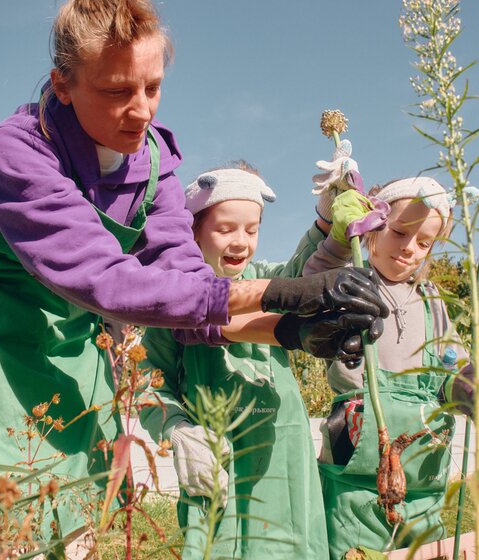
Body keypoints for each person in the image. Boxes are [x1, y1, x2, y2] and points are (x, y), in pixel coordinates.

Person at [0, 0, 387, 542]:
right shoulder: (18, 151)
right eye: (116, 91)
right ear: (63, 84)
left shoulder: (155, 166)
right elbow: (109, 281)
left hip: (67, 338)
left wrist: (291, 330)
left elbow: (190, 299)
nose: (142, 110)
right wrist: (283, 292)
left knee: (70, 509)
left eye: (152, 88)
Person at [140, 162, 339, 558]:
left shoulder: (265, 277)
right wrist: (178, 430)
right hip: (216, 452)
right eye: (225, 229)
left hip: (279, 445)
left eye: (252, 229)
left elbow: (303, 278)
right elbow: (148, 381)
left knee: (289, 542)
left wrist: (329, 221)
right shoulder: (174, 299)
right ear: (193, 230)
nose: (241, 242)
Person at [303, 177, 479, 557]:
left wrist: (463, 388)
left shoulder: (431, 300)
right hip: (355, 462)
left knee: (426, 546)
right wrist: (340, 234)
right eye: (398, 232)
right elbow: (309, 282)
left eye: (424, 242)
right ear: (374, 226)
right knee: (352, 541)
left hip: (424, 464)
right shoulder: (350, 281)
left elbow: (450, 369)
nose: (409, 248)